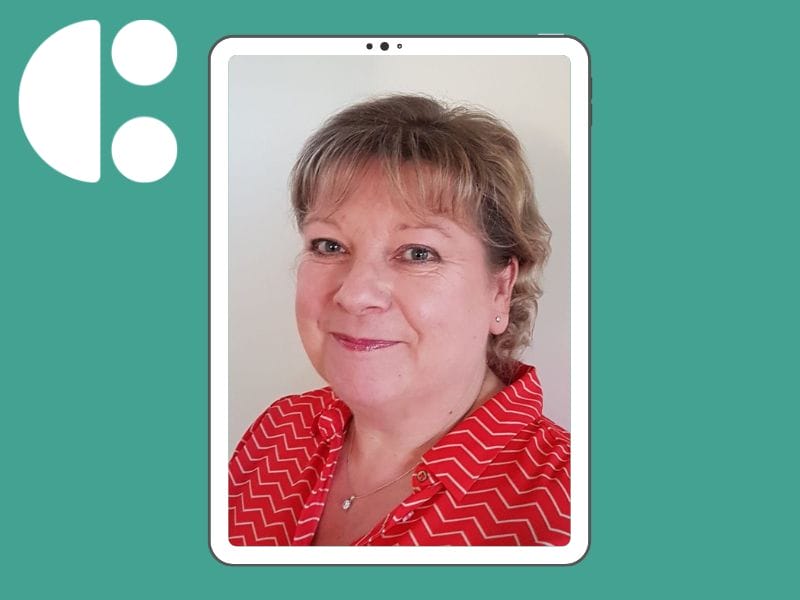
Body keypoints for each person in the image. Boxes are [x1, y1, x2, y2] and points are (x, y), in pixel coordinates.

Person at [229, 94, 570, 546]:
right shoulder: (279, 429)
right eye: (329, 246)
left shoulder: (568, 507)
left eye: (418, 253)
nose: (355, 295)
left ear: (500, 289)